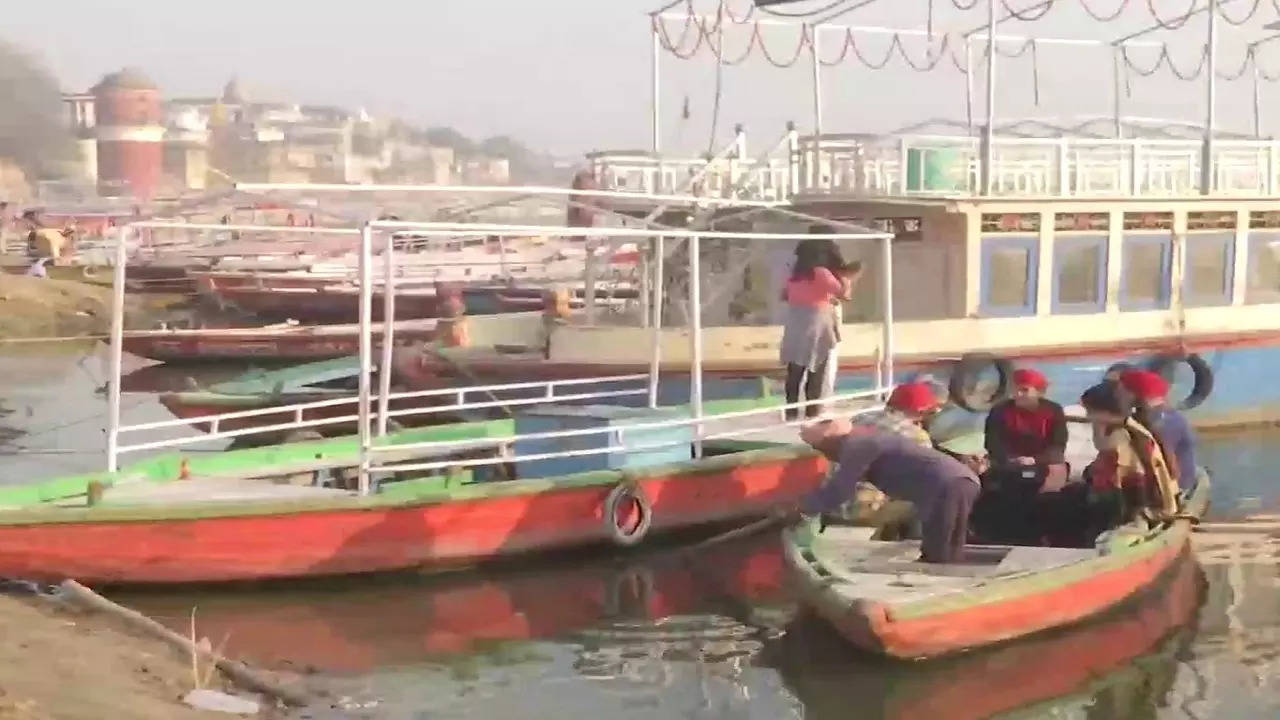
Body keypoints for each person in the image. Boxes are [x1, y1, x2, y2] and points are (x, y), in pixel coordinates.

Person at [797, 421, 981, 564]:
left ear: (829, 442)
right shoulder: (866, 441)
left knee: (941, 552)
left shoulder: (857, 446)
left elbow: (840, 490)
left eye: (819, 448)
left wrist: (801, 508)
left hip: (947, 485)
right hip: (956, 483)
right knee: (945, 548)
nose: (823, 455)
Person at [973, 368, 1069, 544]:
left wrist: (1035, 460)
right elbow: (993, 442)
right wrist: (1010, 459)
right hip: (1010, 462)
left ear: (1038, 391)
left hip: (1044, 462)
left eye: (1025, 390)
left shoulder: (1053, 410)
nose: (1018, 394)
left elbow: (1058, 444)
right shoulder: (1000, 410)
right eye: (1015, 389)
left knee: (1049, 493)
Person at [1075, 381, 1180, 542]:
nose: (1089, 418)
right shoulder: (1118, 431)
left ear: (1105, 412)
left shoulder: (1121, 438)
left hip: (1131, 507)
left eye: (1090, 412)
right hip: (1122, 499)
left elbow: (1129, 481)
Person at [779, 240, 854, 419]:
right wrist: (846, 278)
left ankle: (791, 411)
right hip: (817, 323)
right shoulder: (821, 273)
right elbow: (844, 294)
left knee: (794, 372)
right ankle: (812, 412)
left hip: (796, 323)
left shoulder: (795, 274)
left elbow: (785, 295)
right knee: (816, 371)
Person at [1118, 369, 1198, 493]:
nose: (1118, 395)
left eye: (1122, 391)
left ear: (1135, 394)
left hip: (1174, 487)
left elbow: (1169, 466)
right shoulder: (1167, 416)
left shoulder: (1162, 422)